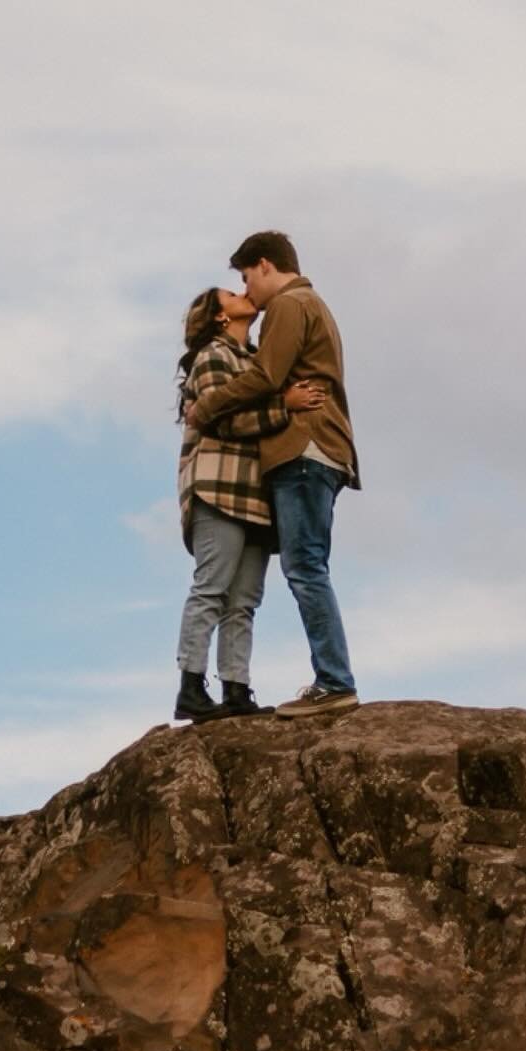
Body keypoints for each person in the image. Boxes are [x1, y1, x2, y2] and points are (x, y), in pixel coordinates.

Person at [183, 232, 360, 719]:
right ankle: (332, 678)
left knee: (304, 568)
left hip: (303, 446)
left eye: (245, 278)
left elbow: (265, 376)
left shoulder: (289, 304)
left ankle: (334, 681)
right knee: (306, 566)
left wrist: (206, 407)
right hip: (318, 447)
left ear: (264, 266)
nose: (248, 291)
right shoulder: (309, 304)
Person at [174, 285, 326, 723]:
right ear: (220, 317)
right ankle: (191, 684)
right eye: (231, 294)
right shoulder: (212, 357)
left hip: (256, 494)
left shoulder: (257, 361)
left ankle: (236, 688)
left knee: (243, 600)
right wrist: (285, 406)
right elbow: (226, 421)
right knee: (211, 588)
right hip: (219, 488)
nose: (243, 293)